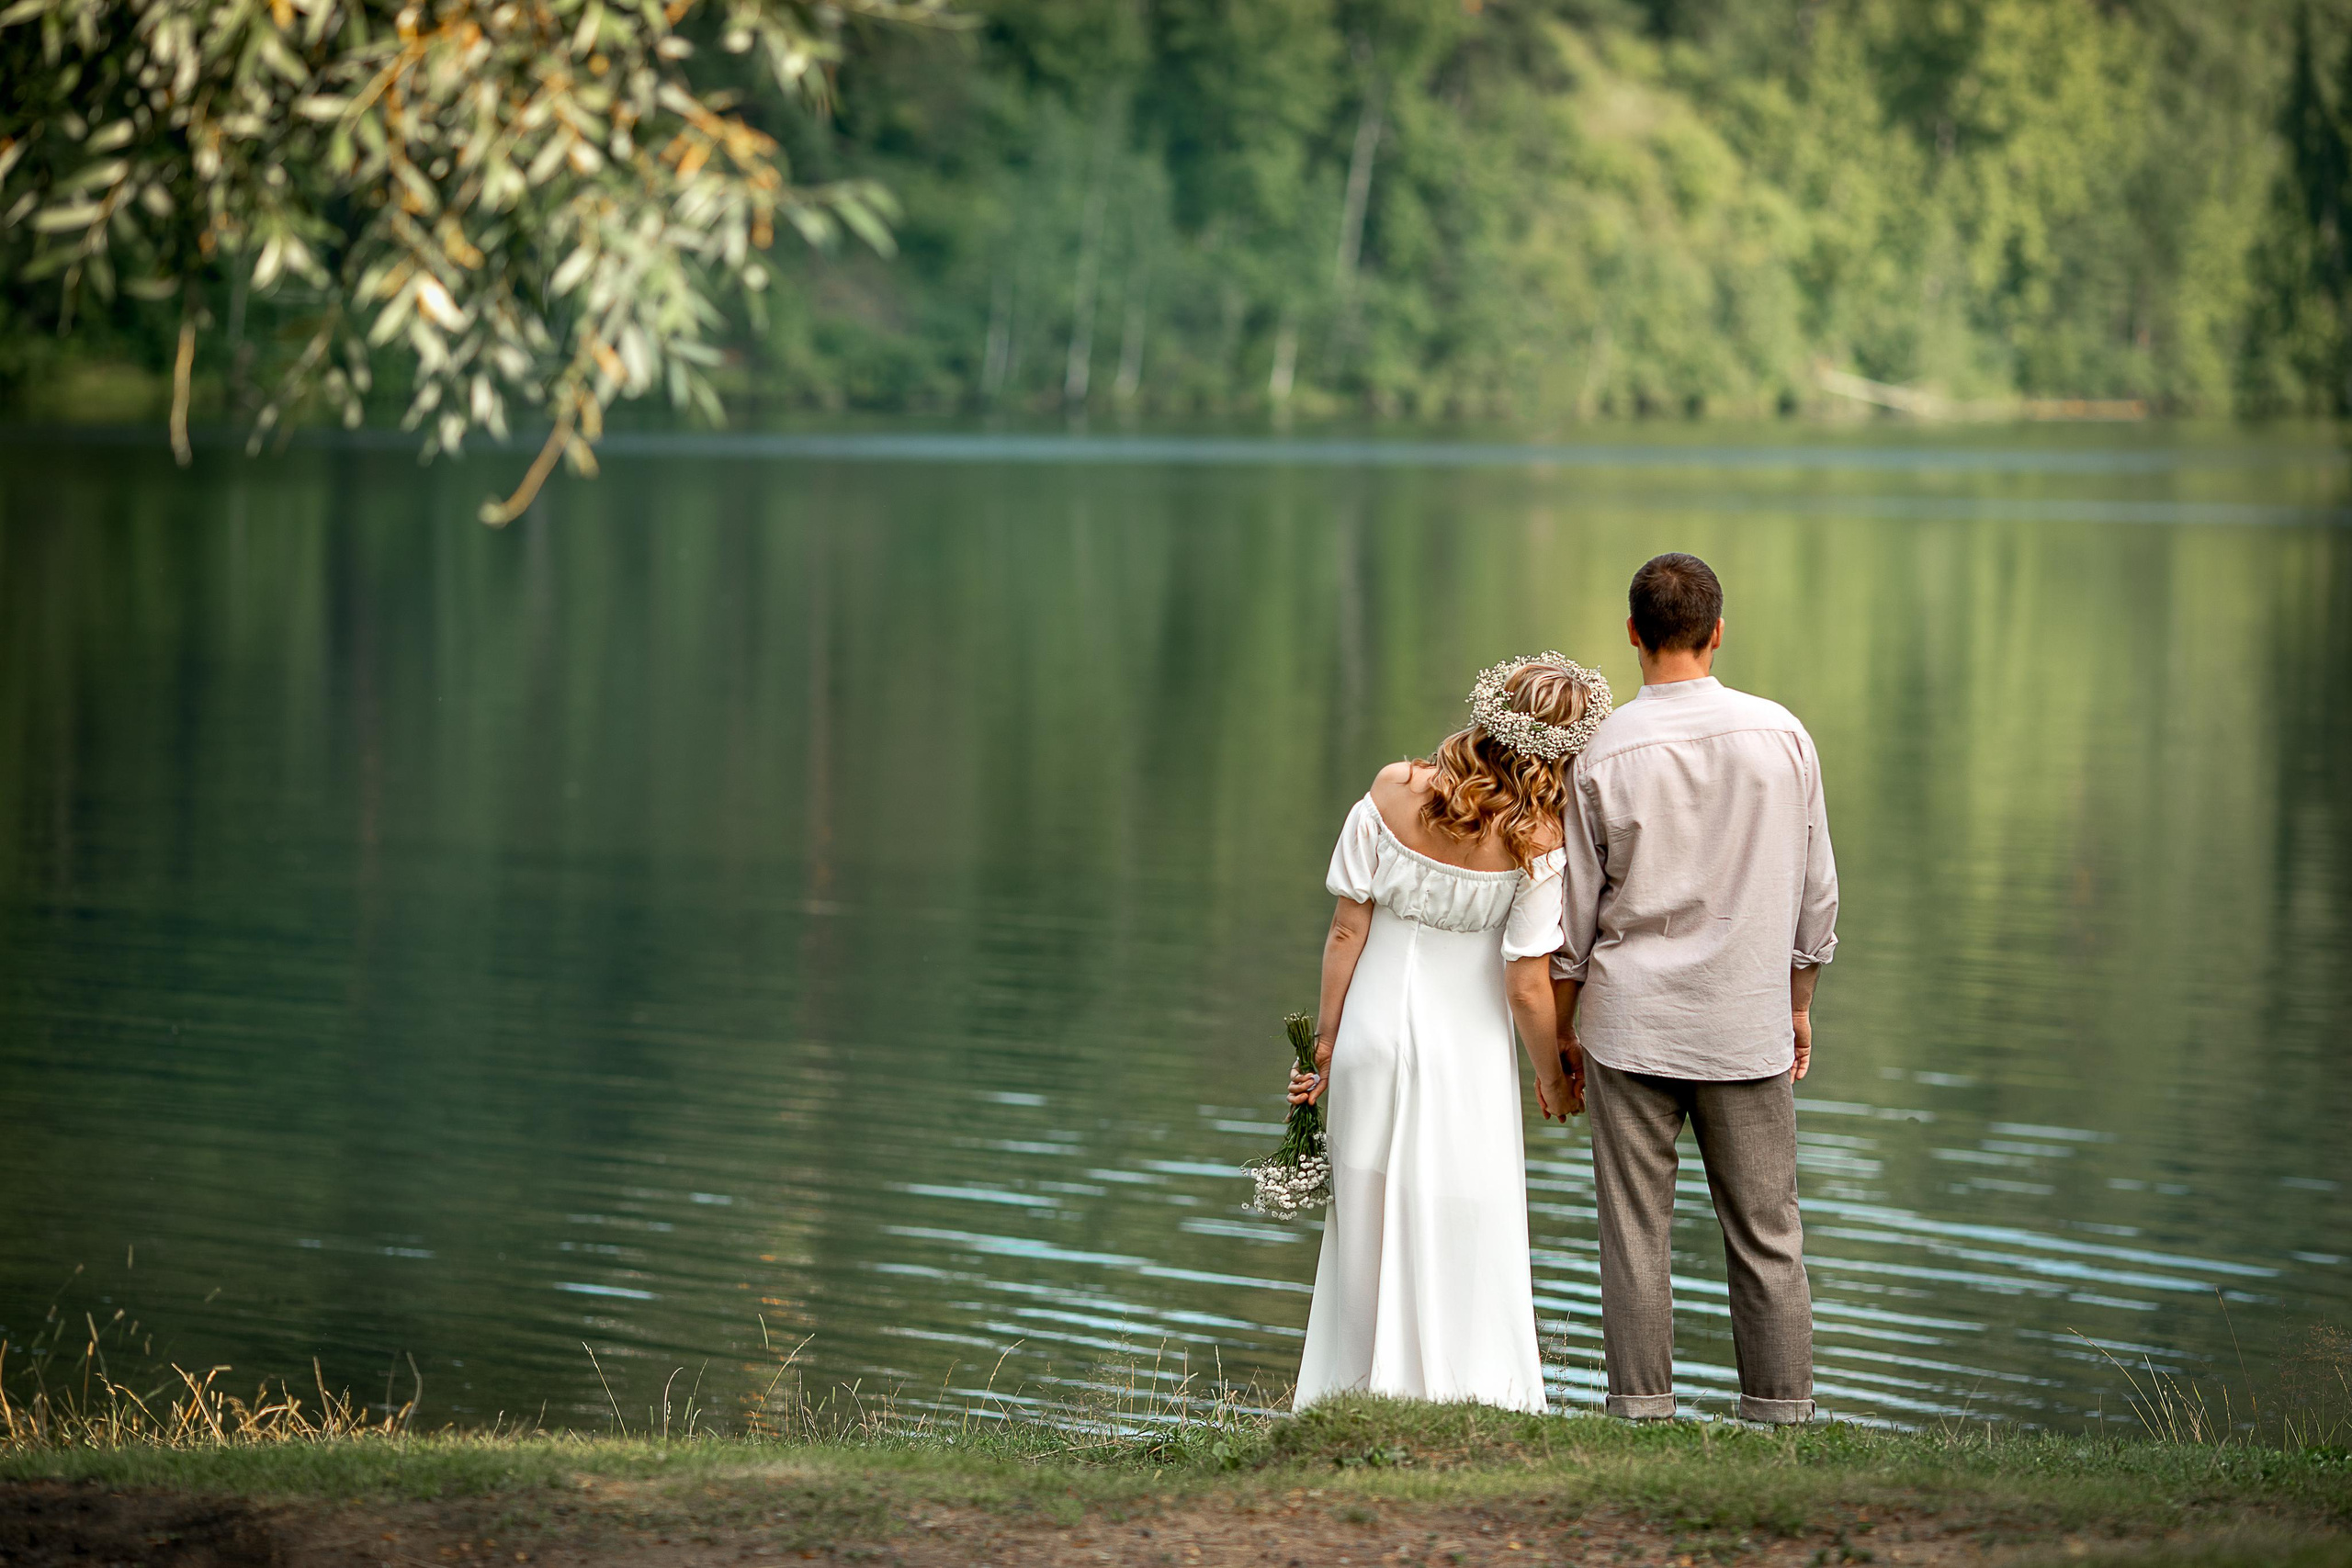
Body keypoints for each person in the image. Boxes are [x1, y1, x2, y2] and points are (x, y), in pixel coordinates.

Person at [1552, 552, 1839, 1425]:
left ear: (1633, 635)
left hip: (1628, 1025)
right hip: (1746, 1022)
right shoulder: (1783, 735)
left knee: (1634, 1235)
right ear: (1719, 632)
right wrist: (1798, 1003)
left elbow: (1572, 919)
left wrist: (1564, 1038)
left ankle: (1641, 1415)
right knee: (1767, 1234)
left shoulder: (1600, 750)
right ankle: (1781, 1418)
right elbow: (1816, 894)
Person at [1285, 654, 1608, 1413]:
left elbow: (1345, 931)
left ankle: (1350, 1394)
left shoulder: (1394, 789)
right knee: (1467, 1210)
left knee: (1364, 1213)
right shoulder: (1536, 837)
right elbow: (1527, 983)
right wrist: (1553, 1079)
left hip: (1370, 1033)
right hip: (1463, 1051)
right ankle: (1468, 1394)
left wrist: (1325, 1044)